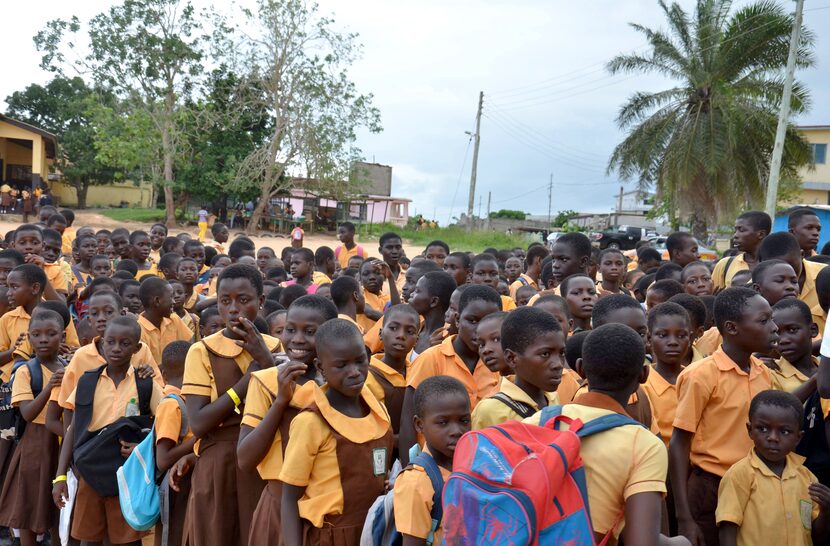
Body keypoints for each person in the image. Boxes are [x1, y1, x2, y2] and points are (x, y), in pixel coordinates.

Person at [525, 324, 687, 546]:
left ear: (580, 369)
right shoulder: (643, 444)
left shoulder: (539, 421)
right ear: (643, 374)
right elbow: (642, 541)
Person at [181, 264, 281, 546]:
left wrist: (266, 362)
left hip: (262, 457)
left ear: (261, 302)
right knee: (216, 533)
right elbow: (199, 423)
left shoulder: (275, 348)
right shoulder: (202, 350)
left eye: (244, 300)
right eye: (225, 301)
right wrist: (245, 383)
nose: (234, 309)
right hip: (218, 462)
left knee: (257, 532)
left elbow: (286, 405)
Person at [670, 287, 778, 546]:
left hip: (753, 485)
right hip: (711, 488)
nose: (774, 327)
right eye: (764, 321)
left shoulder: (763, 372)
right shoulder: (701, 375)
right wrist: (683, 516)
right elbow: (679, 444)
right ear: (731, 328)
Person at [52, 316, 164, 546]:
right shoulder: (87, 383)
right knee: (88, 539)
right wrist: (61, 475)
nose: (116, 348)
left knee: (127, 539)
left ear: (137, 348)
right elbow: (73, 429)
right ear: (102, 343)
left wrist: (142, 447)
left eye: (125, 343)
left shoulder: (145, 384)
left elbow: (165, 424)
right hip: (91, 473)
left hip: (127, 476)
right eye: (110, 342)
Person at [279, 319, 393, 545]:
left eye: (360, 361)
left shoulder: (377, 409)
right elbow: (289, 497)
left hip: (376, 530)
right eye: (341, 365)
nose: (354, 372)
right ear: (320, 367)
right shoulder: (311, 422)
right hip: (332, 536)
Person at [237, 295, 337, 545]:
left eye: (310, 331)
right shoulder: (266, 382)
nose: (297, 339)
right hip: (278, 507)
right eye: (290, 330)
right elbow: (245, 459)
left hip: (330, 512)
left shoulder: (342, 385)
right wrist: (281, 401)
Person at [399, 285, 502, 465]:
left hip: (485, 466)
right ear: (457, 318)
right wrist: (410, 468)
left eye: (488, 323)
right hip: (435, 466)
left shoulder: (501, 365)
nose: (479, 330)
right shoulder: (431, 359)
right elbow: (408, 422)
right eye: (472, 320)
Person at [716, 390, 830, 546]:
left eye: (784, 432)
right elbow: (727, 527)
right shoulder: (739, 474)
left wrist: (826, 511)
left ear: (798, 438)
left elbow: (818, 536)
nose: (773, 438)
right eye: (763, 429)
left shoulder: (808, 479)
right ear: (750, 430)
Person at [0, 309, 65, 546]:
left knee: (60, 511)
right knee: (29, 506)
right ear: (29, 338)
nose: (43, 339)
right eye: (36, 335)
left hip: (61, 441)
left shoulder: (69, 367)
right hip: (35, 444)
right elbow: (27, 413)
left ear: (64, 337)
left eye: (51, 334)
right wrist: (49, 387)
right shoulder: (26, 371)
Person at [393, 376, 470, 545]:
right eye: (443, 422)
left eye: (464, 421)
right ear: (419, 425)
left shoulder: (474, 465)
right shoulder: (416, 482)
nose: (456, 431)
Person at [472, 306, 564, 429]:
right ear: (511, 358)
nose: (558, 364)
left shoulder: (553, 398)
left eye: (561, 353)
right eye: (545, 354)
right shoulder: (490, 410)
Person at [154, 340, 195, 546]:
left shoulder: (188, 400)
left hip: (184, 481)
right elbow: (163, 459)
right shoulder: (172, 404)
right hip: (174, 485)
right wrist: (199, 438)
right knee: (174, 536)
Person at [365, 304, 420, 441]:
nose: (401, 336)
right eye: (393, 328)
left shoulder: (418, 371)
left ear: (416, 341)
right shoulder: (369, 376)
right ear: (380, 334)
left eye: (409, 331)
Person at [643, 302, 691, 447]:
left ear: (690, 339)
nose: (673, 342)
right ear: (650, 339)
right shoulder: (641, 385)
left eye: (681, 335)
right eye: (663, 335)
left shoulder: (699, 378)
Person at [137, 277, 194, 364]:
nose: (174, 302)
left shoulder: (174, 319)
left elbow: (189, 350)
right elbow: (145, 368)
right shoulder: (138, 330)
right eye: (171, 297)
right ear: (157, 301)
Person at [770, 299, 819, 394]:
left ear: (813, 330)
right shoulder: (771, 374)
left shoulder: (824, 366)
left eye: (792, 330)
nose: (783, 340)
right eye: (776, 332)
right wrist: (816, 380)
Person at [712, 211, 771, 290]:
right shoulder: (725, 264)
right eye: (735, 230)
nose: (735, 235)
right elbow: (713, 298)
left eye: (741, 230)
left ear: (761, 234)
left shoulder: (775, 266)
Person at [408, 271, 456, 357]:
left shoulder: (447, 338)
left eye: (417, 291)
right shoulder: (416, 329)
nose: (411, 294)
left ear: (433, 301)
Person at [379, 232, 406, 297]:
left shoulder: (408, 275)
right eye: (389, 247)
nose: (395, 251)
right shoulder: (375, 275)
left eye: (398, 247)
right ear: (380, 250)